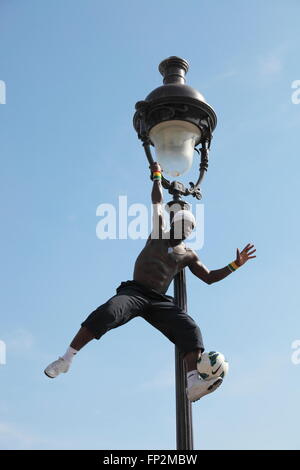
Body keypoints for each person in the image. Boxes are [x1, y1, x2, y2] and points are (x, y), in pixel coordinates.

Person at [44, 162, 256, 402]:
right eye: (182, 225)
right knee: (108, 312)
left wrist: (235, 264)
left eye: (189, 228)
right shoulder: (158, 233)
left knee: (190, 329)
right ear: (174, 223)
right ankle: (66, 359)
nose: (184, 231)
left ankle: (193, 383)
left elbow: (209, 278)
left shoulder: (188, 254)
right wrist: (156, 176)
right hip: (135, 292)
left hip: (158, 300)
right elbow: (157, 202)